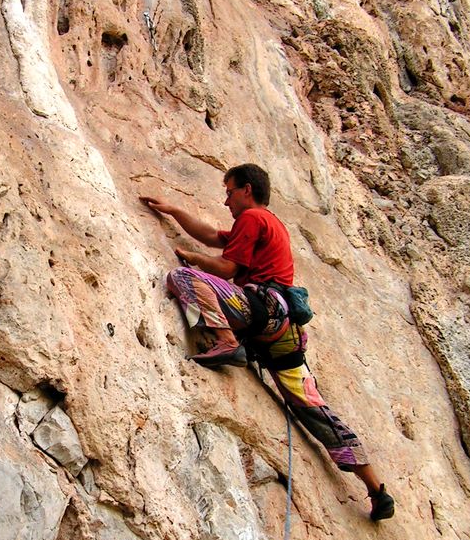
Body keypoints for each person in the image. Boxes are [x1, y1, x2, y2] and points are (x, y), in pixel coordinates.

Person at [141, 163, 395, 521]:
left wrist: (194, 260)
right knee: (311, 406)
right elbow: (215, 236)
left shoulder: (253, 218)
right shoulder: (269, 224)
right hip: (283, 330)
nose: (225, 198)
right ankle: (376, 489)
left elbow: (227, 268)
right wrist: (174, 211)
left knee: (182, 278)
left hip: (259, 310)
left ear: (247, 189)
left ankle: (227, 341)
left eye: (229, 191)